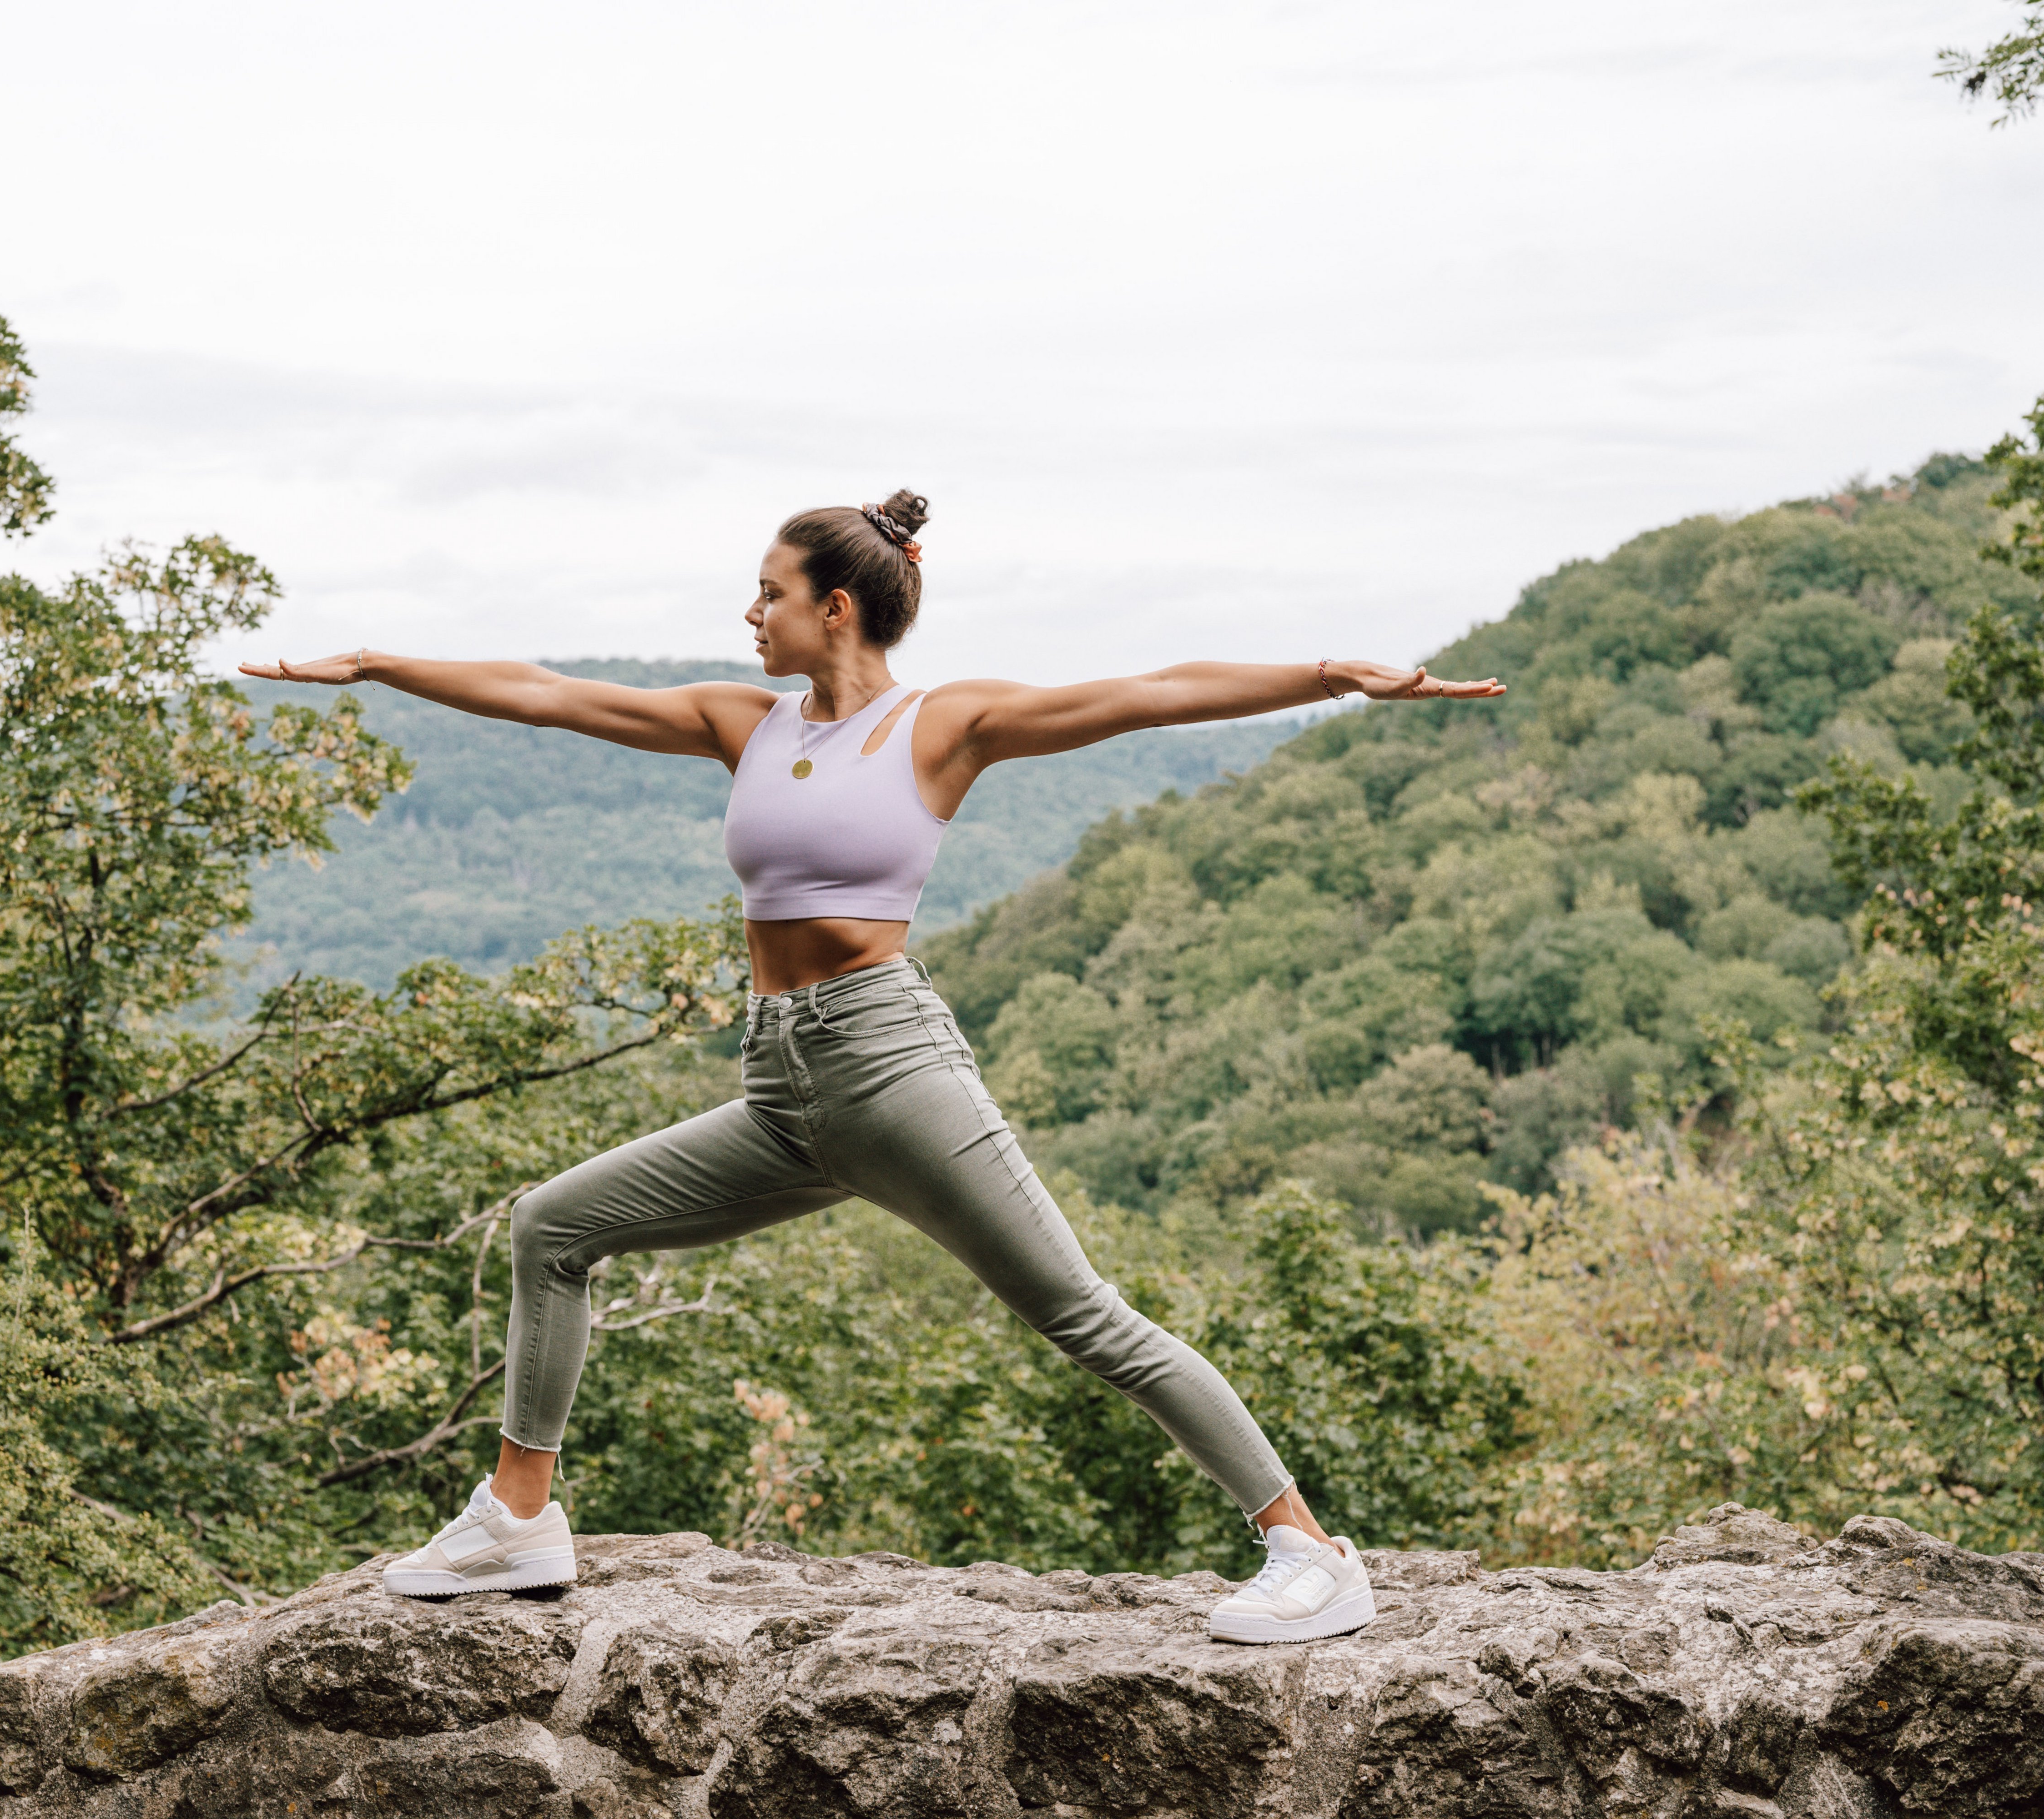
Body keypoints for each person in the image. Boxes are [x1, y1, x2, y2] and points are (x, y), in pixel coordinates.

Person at [239, 490, 1503, 1643]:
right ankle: (518, 1523)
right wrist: (379, 665)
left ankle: (1309, 1552)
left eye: (769, 594)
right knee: (552, 1228)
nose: (751, 614)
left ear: (833, 608)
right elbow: (545, 692)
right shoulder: (742, 723)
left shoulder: (942, 726)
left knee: (1081, 1316)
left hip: (890, 1069)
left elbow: (1154, 691)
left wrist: (1331, 675)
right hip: (781, 1087)